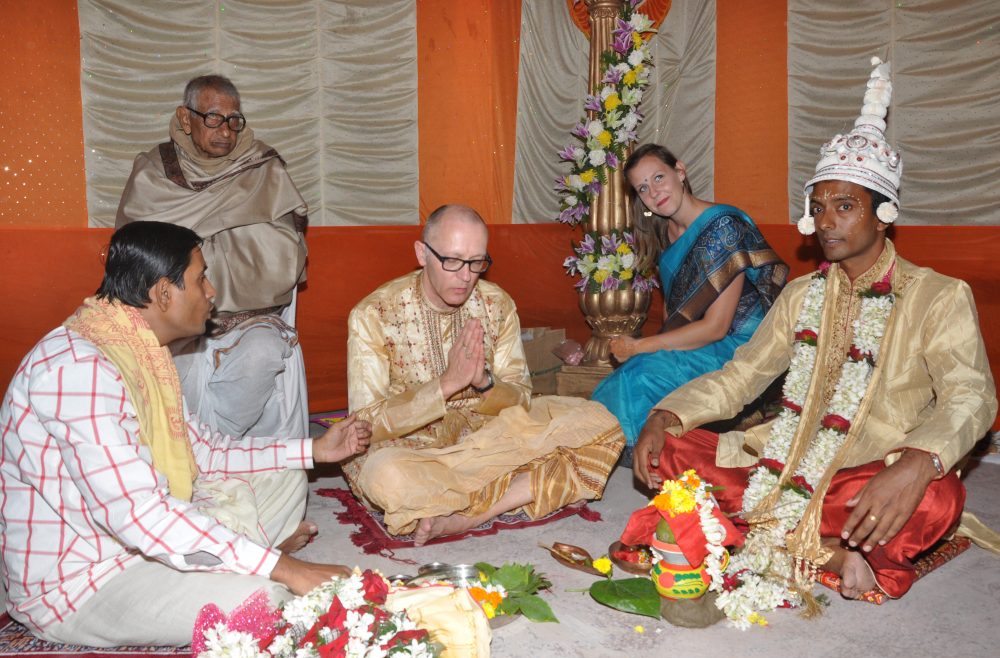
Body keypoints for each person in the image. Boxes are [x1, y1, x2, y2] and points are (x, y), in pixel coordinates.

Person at [632, 58, 997, 623]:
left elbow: (972, 397)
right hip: (780, 461)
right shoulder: (803, 294)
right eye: (818, 207)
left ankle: (773, 536)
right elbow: (743, 376)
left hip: (867, 475)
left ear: (883, 216)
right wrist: (668, 414)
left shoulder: (938, 296)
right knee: (675, 450)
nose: (826, 222)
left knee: (939, 497)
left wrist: (919, 460)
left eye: (845, 206)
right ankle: (826, 550)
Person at [0, 222, 371, 647]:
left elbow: (206, 453)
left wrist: (315, 448)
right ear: (162, 293)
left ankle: (231, 556)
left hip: (141, 536)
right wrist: (285, 567)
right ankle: (243, 559)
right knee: (266, 601)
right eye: (200, 278)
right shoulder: (78, 370)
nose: (211, 292)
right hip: (87, 579)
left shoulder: (141, 348)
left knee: (288, 475)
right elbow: (141, 515)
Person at [344, 204, 625, 546]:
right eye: (453, 261)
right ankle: (526, 488)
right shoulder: (373, 314)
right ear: (422, 253)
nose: (466, 276)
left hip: (492, 437)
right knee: (384, 476)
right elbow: (366, 421)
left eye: (477, 262)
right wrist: (445, 385)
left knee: (599, 421)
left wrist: (485, 383)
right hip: (417, 450)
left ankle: (467, 515)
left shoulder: (496, 303)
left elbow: (522, 395)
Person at [116, 74, 309, 439]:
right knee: (165, 366)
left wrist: (201, 237)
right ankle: (193, 447)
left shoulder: (262, 168)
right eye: (214, 118)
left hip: (248, 315)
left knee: (265, 353)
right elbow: (138, 248)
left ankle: (211, 442)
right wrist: (231, 229)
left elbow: (285, 251)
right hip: (172, 314)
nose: (226, 130)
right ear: (186, 118)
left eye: (234, 120)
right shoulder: (153, 171)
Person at [591, 144, 787, 463]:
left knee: (641, 373)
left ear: (680, 171)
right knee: (629, 376)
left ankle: (647, 453)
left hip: (740, 344)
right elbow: (676, 318)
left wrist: (643, 347)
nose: (654, 192)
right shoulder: (665, 234)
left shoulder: (721, 228)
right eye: (643, 188)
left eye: (658, 177)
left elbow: (716, 327)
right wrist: (651, 348)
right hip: (702, 339)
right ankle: (623, 449)